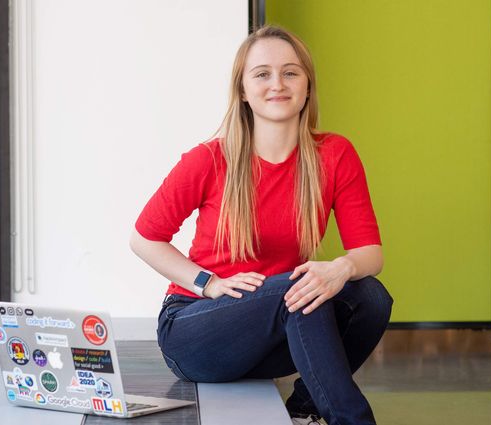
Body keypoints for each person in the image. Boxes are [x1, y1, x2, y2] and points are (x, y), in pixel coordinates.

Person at [130, 25, 393, 425]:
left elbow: (370, 254)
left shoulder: (335, 154)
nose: (278, 84)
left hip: (275, 329)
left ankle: (305, 410)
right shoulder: (209, 158)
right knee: (298, 289)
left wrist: (340, 268)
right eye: (262, 74)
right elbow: (144, 238)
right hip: (195, 329)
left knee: (369, 297)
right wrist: (208, 283)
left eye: (291, 72)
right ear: (242, 90)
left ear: (307, 86)